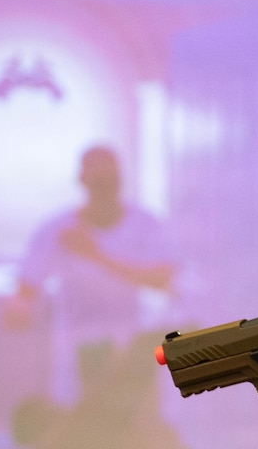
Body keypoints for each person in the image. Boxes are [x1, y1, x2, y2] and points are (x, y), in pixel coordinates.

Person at [11, 145, 180, 406]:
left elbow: (163, 279)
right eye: (98, 181)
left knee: (132, 425)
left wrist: (96, 255)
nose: (105, 189)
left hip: (130, 357)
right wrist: (20, 307)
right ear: (83, 181)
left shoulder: (144, 224)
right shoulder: (58, 229)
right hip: (76, 358)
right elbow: (26, 288)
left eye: (110, 180)